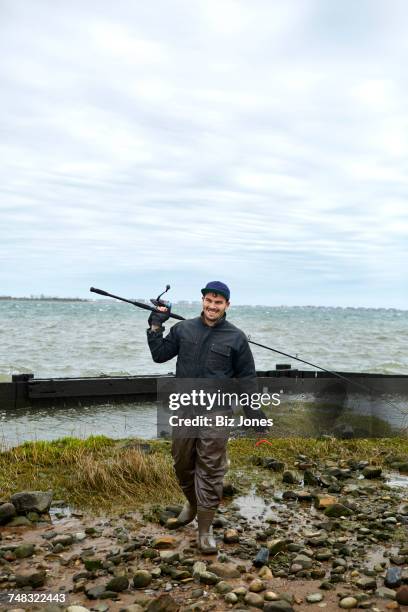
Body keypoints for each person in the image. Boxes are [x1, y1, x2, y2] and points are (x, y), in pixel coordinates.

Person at [147, 281, 267, 553]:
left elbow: (246, 379)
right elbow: (159, 355)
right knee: (181, 462)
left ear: (227, 305)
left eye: (219, 302)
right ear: (202, 301)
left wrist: (255, 415)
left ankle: (205, 530)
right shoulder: (183, 329)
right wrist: (156, 326)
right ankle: (192, 503)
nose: (213, 306)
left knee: (211, 469)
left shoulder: (236, 337)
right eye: (209, 301)